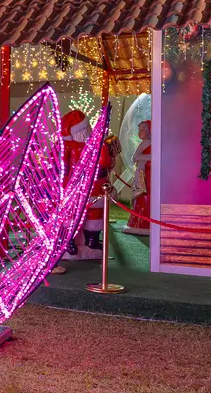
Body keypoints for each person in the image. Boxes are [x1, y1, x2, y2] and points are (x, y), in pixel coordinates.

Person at [53, 109, 117, 273]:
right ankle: (68, 242)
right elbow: (60, 168)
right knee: (71, 217)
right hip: (74, 188)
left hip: (94, 187)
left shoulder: (95, 146)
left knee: (94, 215)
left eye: (88, 127)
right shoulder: (66, 147)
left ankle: (92, 242)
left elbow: (105, 163)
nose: (87, 131)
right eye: (84, 128)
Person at [123, 120, 152, 235]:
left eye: (142, 129)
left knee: (145, 196)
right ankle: (139, 222)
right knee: (141, 197)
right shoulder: (144, 143)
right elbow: (135, 157)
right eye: (139, 129)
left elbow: (137, 157)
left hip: (147, 175)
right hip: (142, 174)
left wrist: (141, 158)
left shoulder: (149, 143)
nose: (140, 132)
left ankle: (144, 222)